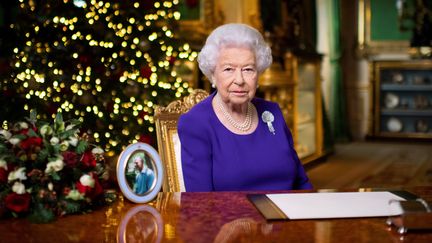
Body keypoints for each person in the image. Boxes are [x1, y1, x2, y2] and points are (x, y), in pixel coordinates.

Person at [178, 23, 313, 192]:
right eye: (228, 69)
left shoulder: (272, 112)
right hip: (231, 218)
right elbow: (201, 203)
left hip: (287, 215)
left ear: (258, 74)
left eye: (248, 69)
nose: (240, 80)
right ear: (213, 74)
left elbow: (301, 182)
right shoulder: (196, 123)